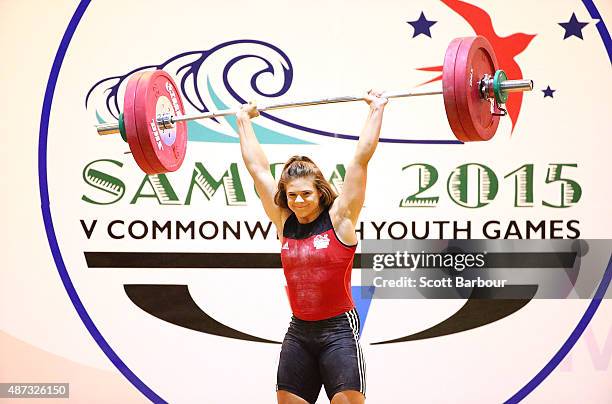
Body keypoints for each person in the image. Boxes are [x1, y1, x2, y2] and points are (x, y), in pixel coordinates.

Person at [236, 90, 388, 404]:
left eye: (306, 193)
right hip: (299, 331)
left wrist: (376, 108)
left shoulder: (341, 218)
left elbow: (361, 158)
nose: (299, 200)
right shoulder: (284, 222)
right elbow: (258, 170)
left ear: (319, 192)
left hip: (338, 330)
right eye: (292, 195)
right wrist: (243, 120)